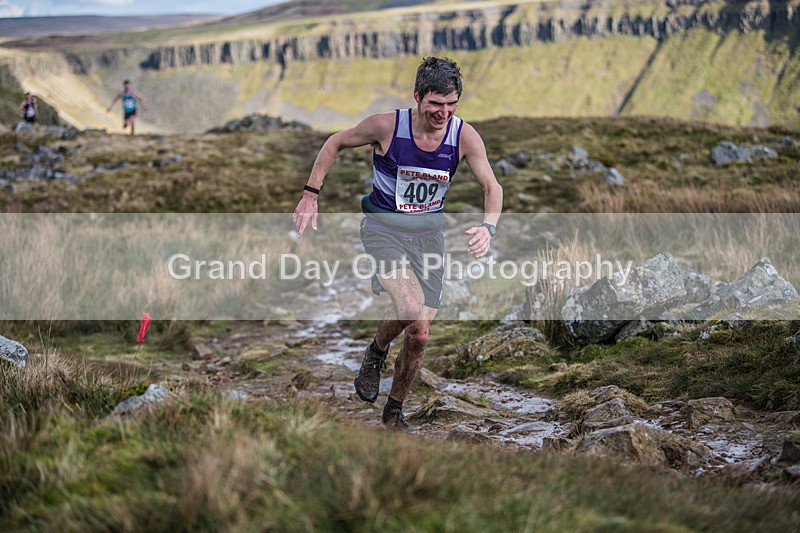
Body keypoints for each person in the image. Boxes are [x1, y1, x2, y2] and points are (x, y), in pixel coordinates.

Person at [293, 56, 503, 430]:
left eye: (452, 104)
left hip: (429, 239)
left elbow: (492, 186)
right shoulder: (387, 126)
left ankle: (393, 412)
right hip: (383, 230)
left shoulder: (463, 136)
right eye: (436, 103)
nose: (444, 113)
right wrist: (311, 194)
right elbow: (335, 142)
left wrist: (489, 227)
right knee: (407, 305)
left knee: (419, 336)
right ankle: (376, 352)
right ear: (417, 97)